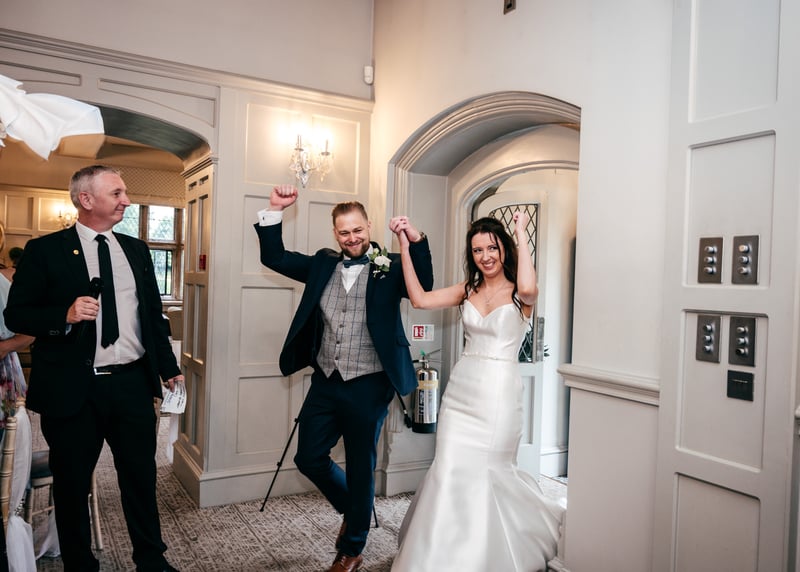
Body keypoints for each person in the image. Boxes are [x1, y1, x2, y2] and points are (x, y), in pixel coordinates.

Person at [4, 165, 183, 572]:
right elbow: (17, 315)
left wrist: (168, 367)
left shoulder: (136, 250)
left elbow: (152, 317)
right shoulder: (44, 250)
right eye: (117, 193)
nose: (127, 201)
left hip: (132, 385)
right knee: (71, 486)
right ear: (86, 199)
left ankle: (151, 560)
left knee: (140, 479)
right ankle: (80, 565)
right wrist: (64, 314)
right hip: (73, 390)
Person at [254, 184, 434, 572]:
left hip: (371, 382)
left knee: (360, 465)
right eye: (344, 232)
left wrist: (414, 239)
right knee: (308, 458)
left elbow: (425, 282)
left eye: (357, 230)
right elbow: (275, 257)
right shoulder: (322, 264)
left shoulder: (390, 266)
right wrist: (274, 209)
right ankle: (354, 511)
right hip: (326, 378)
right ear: (335, 233)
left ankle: (352, 549)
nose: (352, 238)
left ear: (369, 226)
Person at [389, 213, 564, 572]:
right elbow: (419, 299)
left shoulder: (520, 293)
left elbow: (529, 287)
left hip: (499, 393)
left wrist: (519, 233)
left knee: (489, 470)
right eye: (478, 250)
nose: (485, 256)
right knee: (449, 466)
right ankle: (439, 554)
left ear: (505, 249)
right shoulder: (467, 289)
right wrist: (404, 247)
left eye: (492, 248)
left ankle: (486, 553)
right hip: (462, 389)